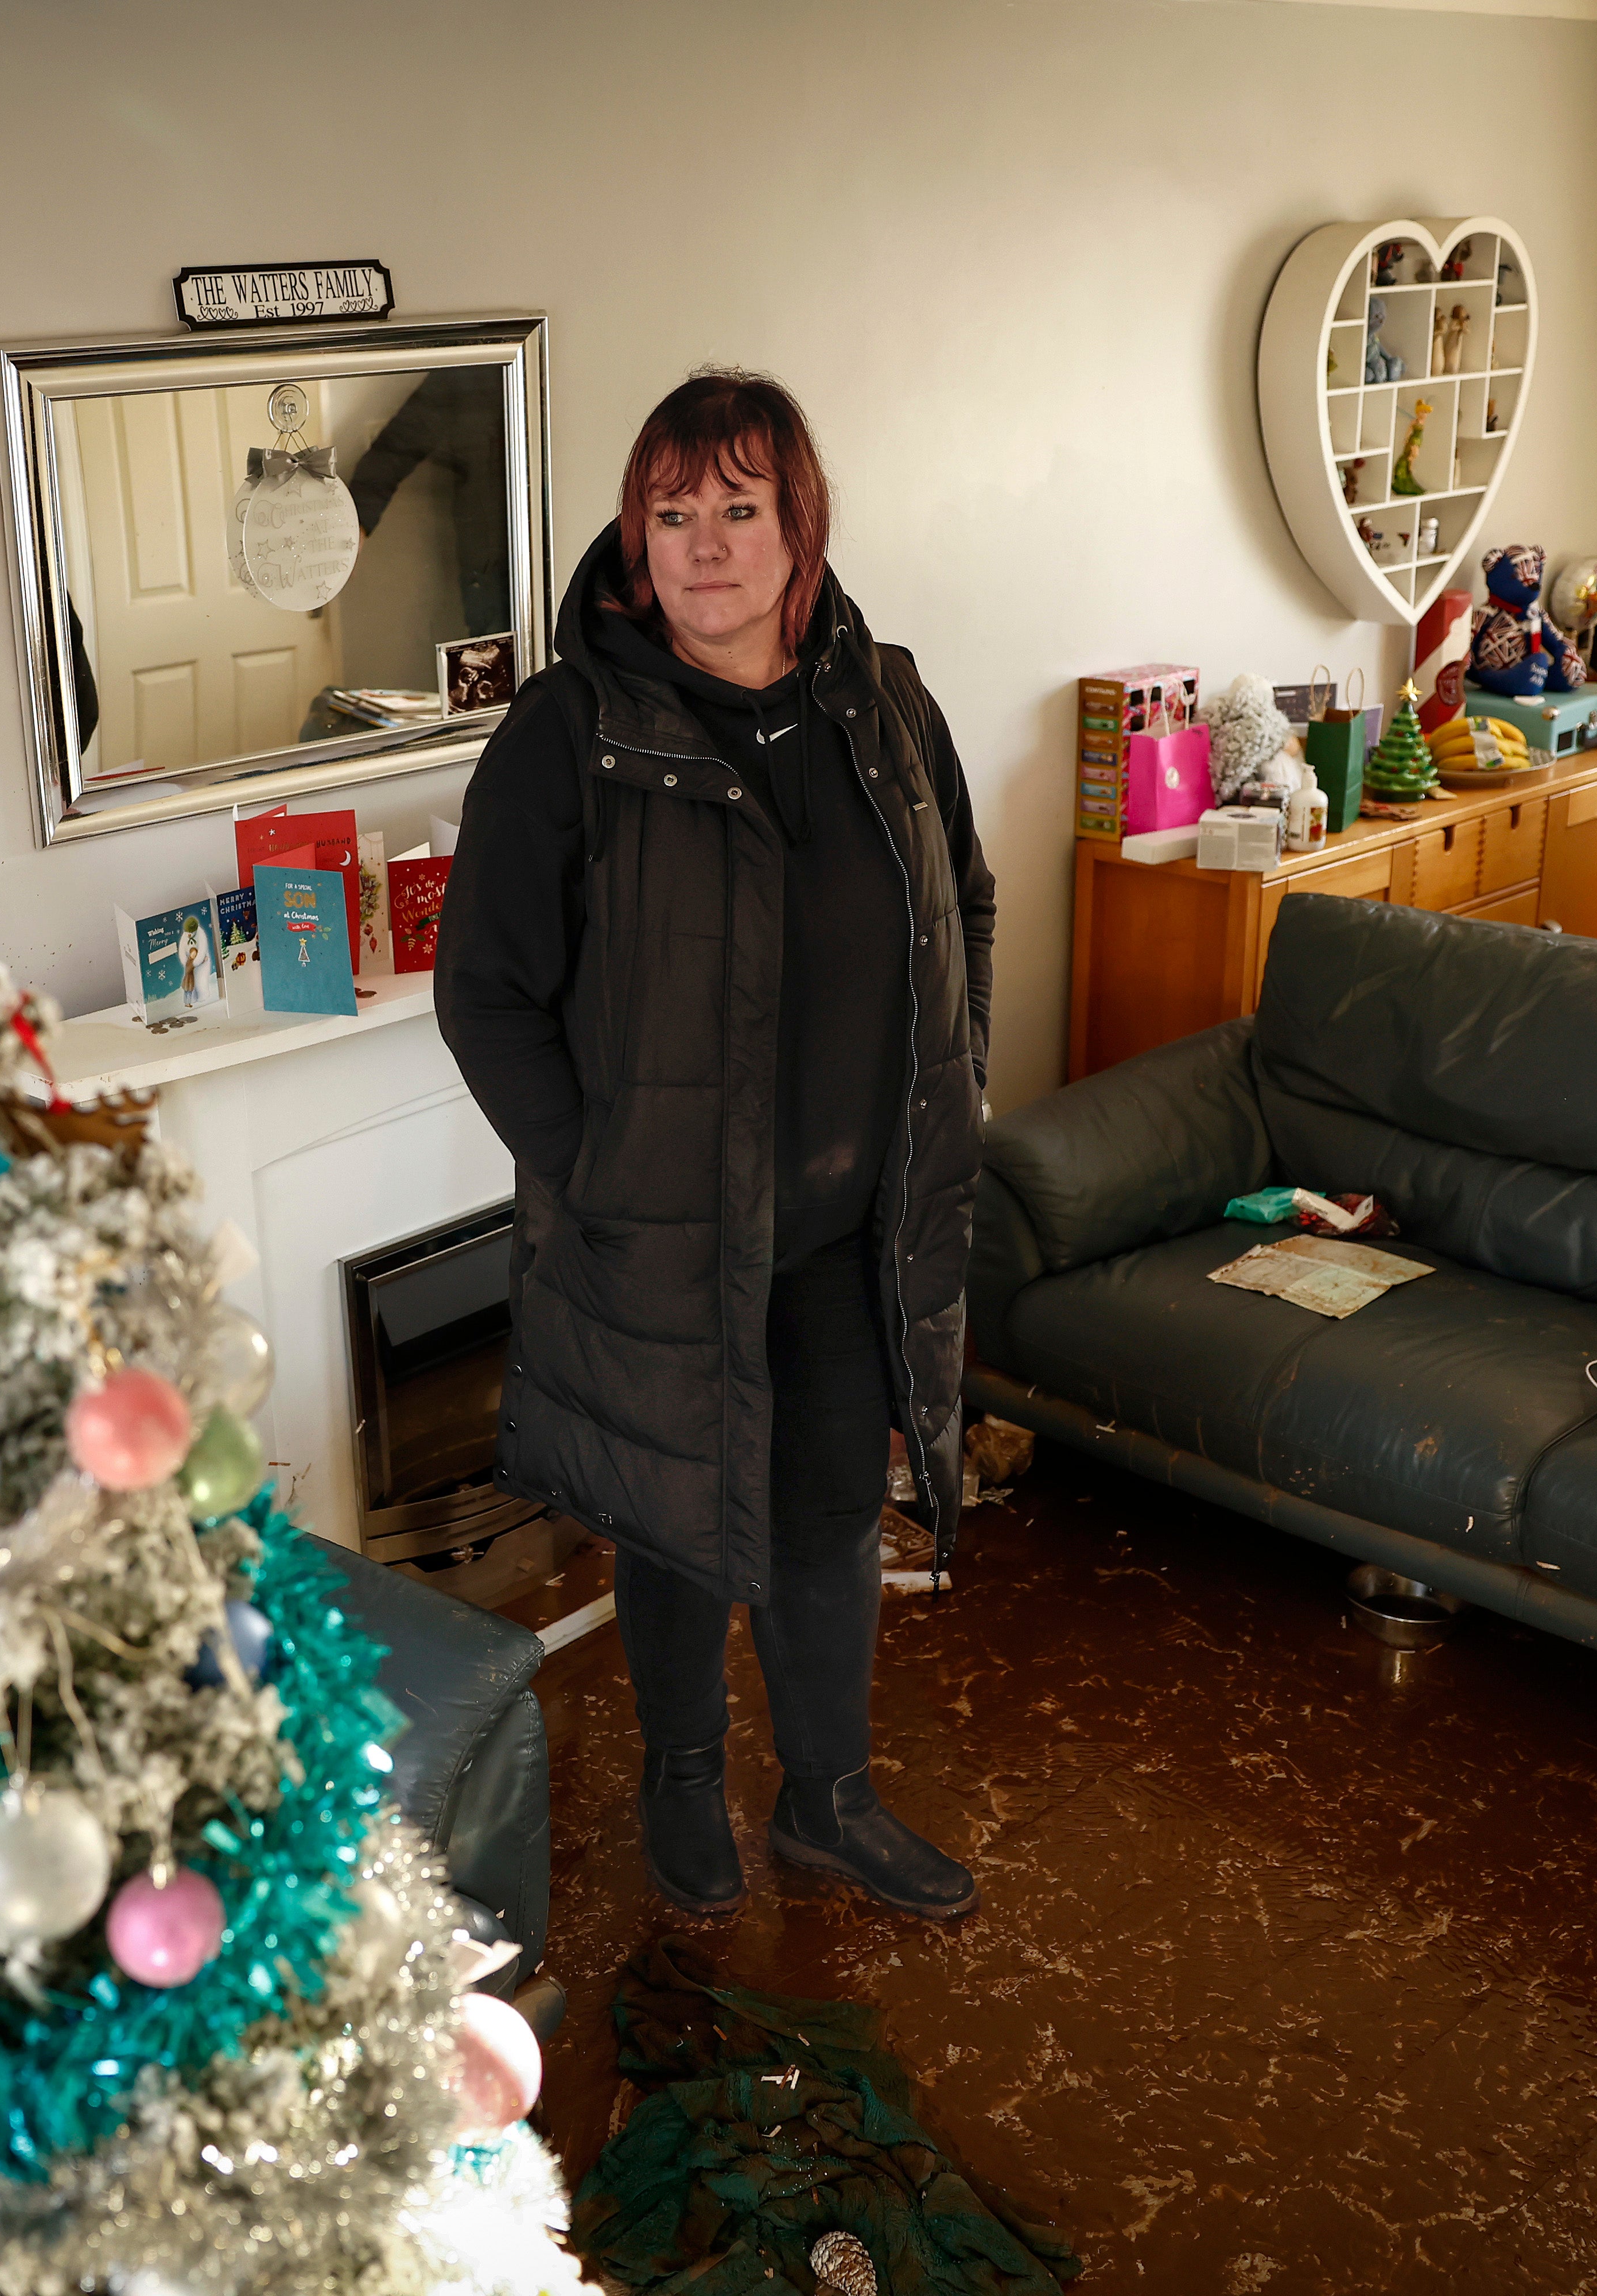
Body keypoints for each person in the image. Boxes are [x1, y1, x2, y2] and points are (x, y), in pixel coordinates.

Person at [432, 371, 994, 1920]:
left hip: (841, 1232)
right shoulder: (571, 737)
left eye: (737, 508)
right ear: (637, 536)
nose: (702, 545)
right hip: (660, 1229)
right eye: (672, 513)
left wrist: (951, 1089)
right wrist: (595, 1179)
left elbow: (966, 904)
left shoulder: (885, 705)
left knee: (823, 1516)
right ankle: (682, 1777)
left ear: (799, 526)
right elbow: (485, 993)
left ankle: (828, 1797)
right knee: (673, 1522)